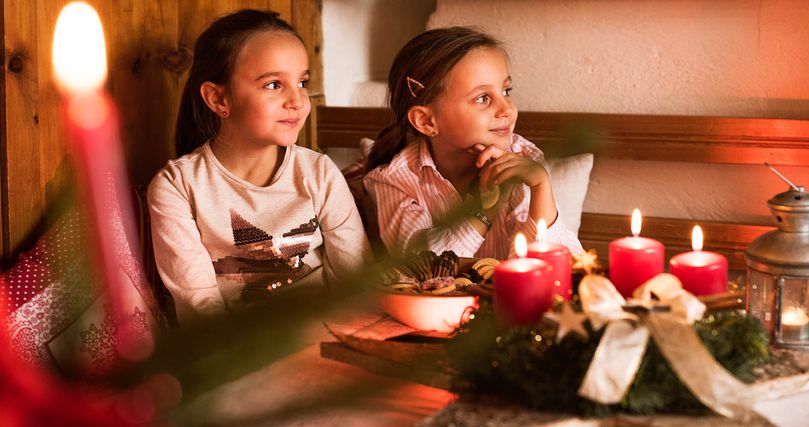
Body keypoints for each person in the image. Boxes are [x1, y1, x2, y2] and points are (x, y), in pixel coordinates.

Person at [148, 9, 370, 326]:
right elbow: (200, 309)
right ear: (218, 99)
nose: (297, 100)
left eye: (302, 82)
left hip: (327, 338)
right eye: (273, 85)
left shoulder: (319, 172)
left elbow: (356, 283)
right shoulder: (177, 186)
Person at [364, 27, 582, 259]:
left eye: (506, 91)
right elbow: (422, 266)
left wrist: (541, 187)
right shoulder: (395, 181)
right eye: (482, 98)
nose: (507, 108)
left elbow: (552, 266)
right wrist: (484, 209)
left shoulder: (524, 162)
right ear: (426, 121)